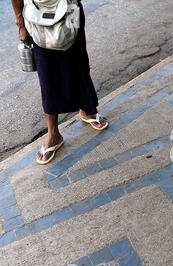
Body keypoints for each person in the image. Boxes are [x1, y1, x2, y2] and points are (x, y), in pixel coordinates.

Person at [11, 0, 108, 165]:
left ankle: (87, 108)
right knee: (47, 75)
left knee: (78, 60)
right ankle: (53, 134)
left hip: (71, 8)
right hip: (37, 15)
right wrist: (20, 23)